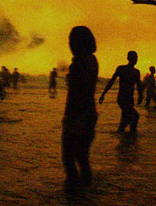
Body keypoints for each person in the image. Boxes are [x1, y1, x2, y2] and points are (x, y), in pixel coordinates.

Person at [62, 26, 98, 189]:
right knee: (82, 156)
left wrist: (69, 117)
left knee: (68, 156)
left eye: (72, 40)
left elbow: (76, 93)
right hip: (89, 112)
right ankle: (86, 192)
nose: (70, 44)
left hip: (77, 114)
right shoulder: (92, 60)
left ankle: (73, 193)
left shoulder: (79, 63)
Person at [99, 51, 143, 133]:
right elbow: (112, 81)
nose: (136, 60)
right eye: (134, 58)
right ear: (128, 58)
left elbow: (139, 85)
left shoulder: (136, 72)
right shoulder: (121, 69)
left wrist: (141, 96)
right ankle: (130, 137)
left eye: (136, 58)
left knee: (125, 119)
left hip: (130, 99)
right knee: (135, 116)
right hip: (122, 98)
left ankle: (126, 139)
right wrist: (103, 93)